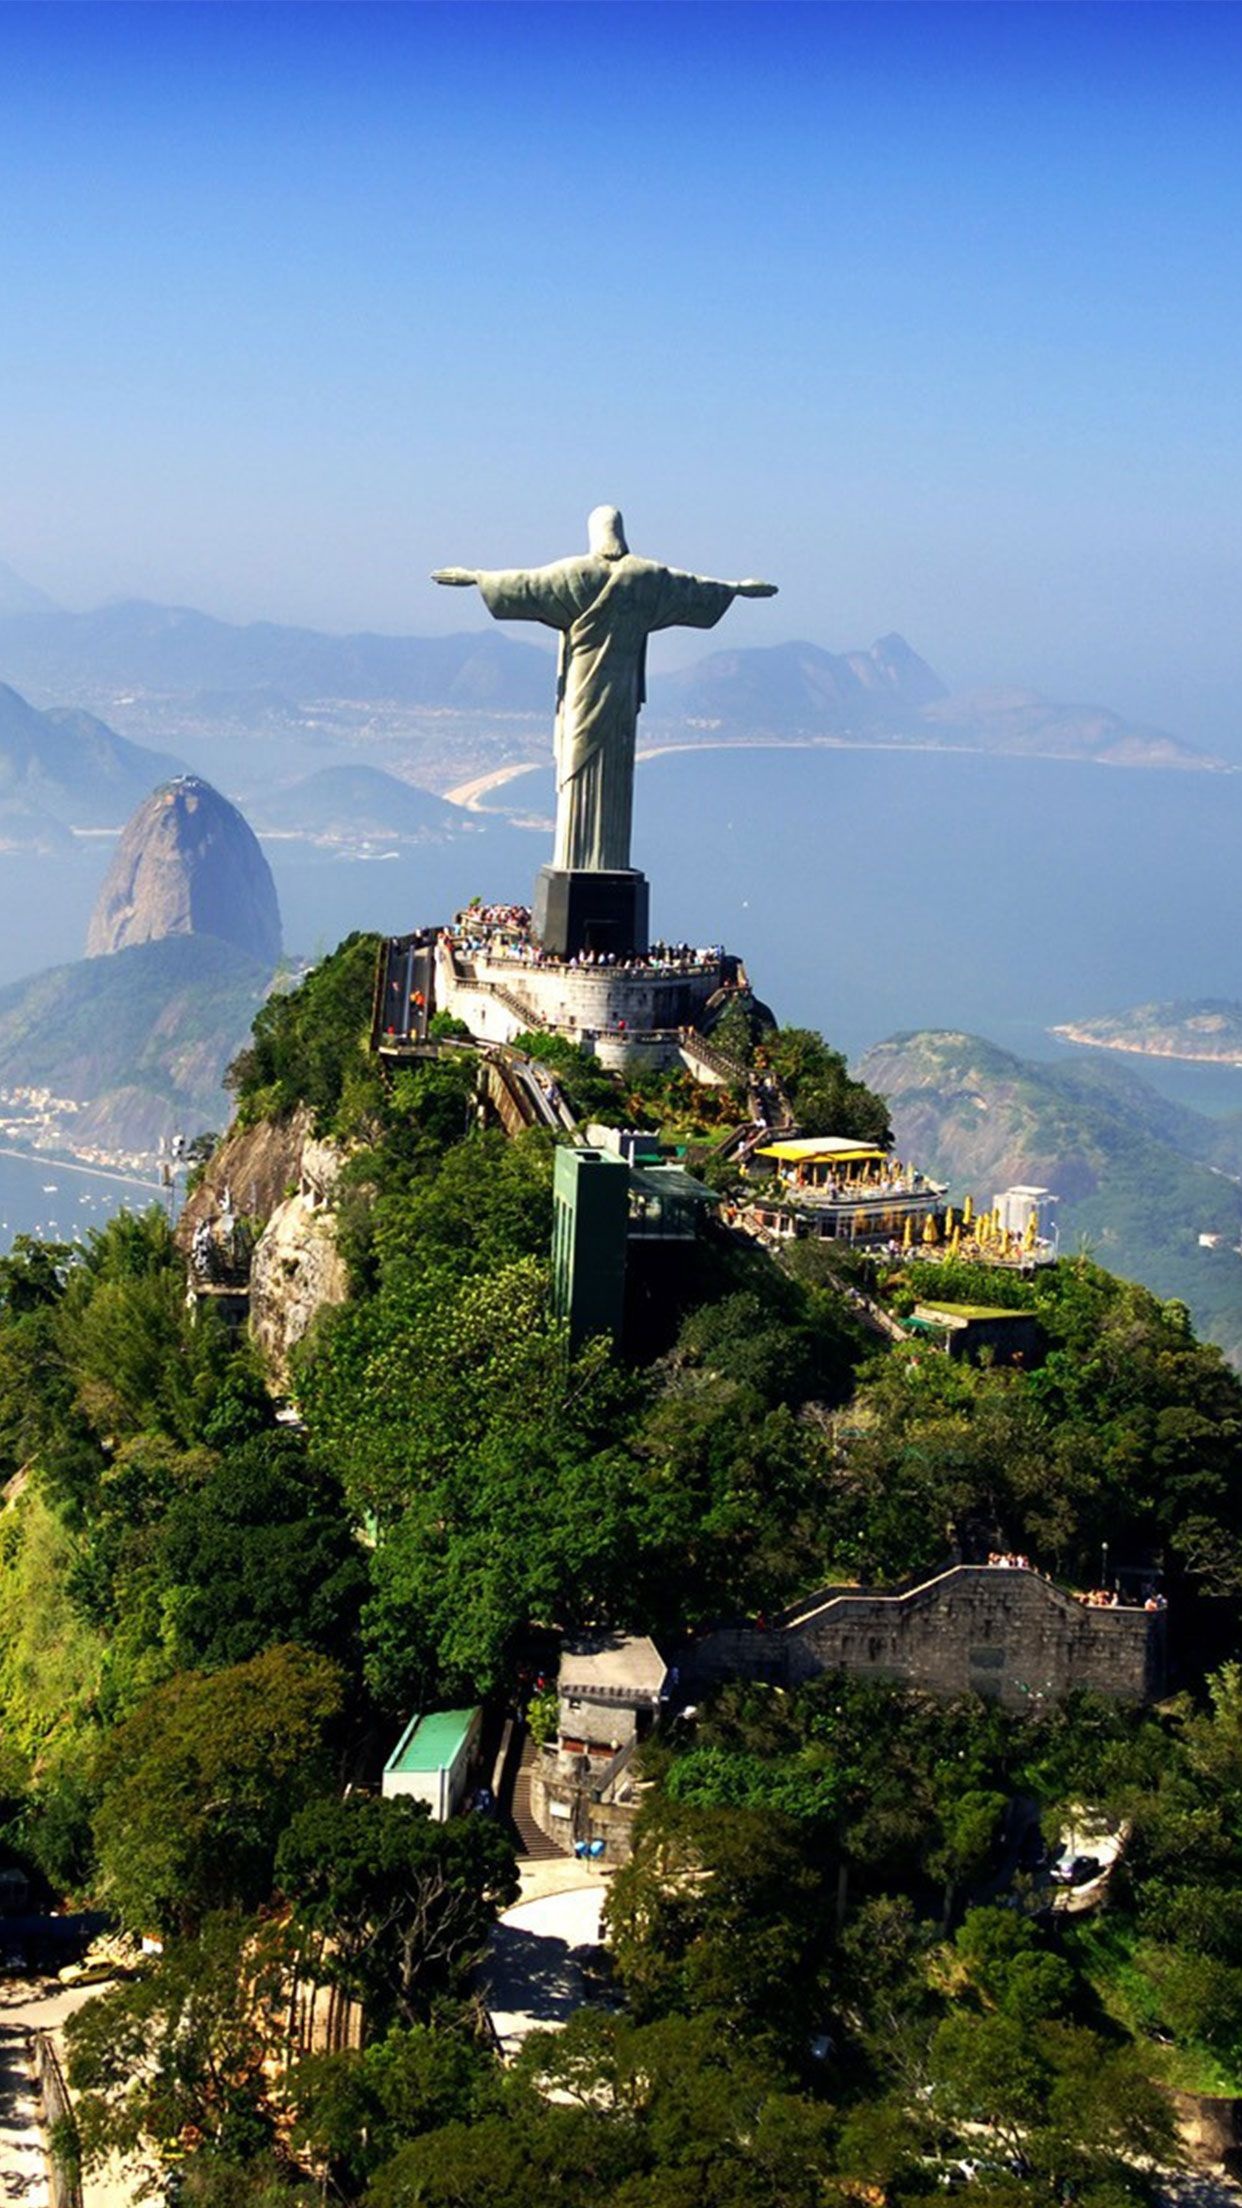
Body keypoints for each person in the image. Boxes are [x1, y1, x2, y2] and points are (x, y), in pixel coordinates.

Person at [434, 507, 777, 872]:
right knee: (614, 770)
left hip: (582, 689)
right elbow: (693, 588)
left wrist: (477, 578)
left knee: (577, 764)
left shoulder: (575, 574)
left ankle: (574, 857)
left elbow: (527, 584)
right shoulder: (647, 577)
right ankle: (606, 859)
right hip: (622, 694)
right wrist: (736, 589)